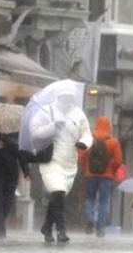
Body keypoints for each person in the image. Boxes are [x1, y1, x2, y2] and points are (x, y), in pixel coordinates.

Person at [30, 86, 93, 243]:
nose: (67, 99)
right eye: (64, 96)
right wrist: (52, 127)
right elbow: (35, 131)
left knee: (58, 195)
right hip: (51, 160)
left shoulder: (78, 113)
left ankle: (46, 227)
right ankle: (61, 230)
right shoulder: (46, 111)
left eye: (70, 97)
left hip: (70, 162)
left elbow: (87, 133)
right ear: (58, 96)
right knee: (58, 192)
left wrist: (83, 143)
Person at [79, 116, 123, 237]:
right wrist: (112, 168)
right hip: (107, 176)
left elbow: (81, 156)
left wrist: (86, 168)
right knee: (104, 201)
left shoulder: (89, 139)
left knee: (90, 198)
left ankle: (90, 218)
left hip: (90, 174)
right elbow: (119, 160)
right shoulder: (113, 141)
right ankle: (101, 227)